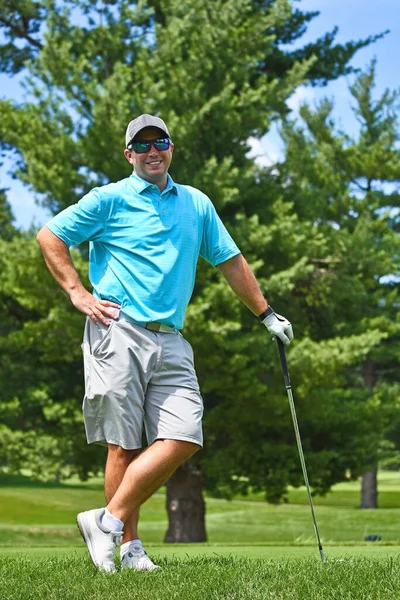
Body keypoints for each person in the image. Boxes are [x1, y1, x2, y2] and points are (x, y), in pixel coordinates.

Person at [36, 114, 293, 573]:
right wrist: (77, 292)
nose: (153, 151)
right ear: (129, 154)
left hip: (171, 338)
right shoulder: (109, 199)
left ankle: (106, 522)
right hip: (118, 330)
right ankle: (129, 549)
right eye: (143, 144)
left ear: (171, 148)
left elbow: (230, 261)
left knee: (184, 434)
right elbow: (50, 234)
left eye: (161, 142)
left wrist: (266, 314)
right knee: (123, 445)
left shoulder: (195, 204)